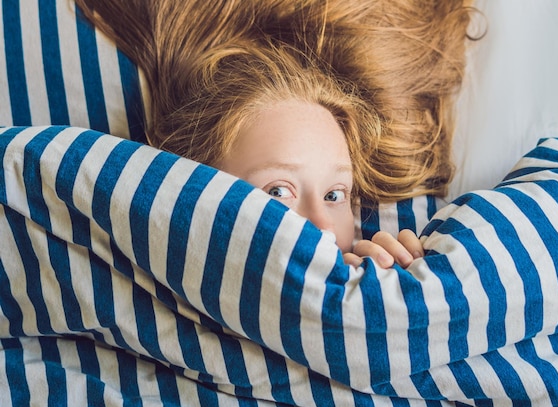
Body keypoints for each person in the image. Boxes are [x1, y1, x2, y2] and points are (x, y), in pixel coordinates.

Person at [73, 0, 472, 267]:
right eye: (278, 191)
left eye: (335, 195)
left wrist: (403, 309)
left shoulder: (382, 281)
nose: (325, 226)